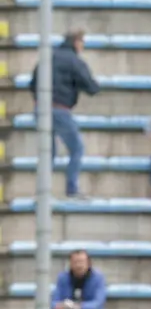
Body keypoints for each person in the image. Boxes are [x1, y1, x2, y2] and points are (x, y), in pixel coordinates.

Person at [29, 29, 100, 199]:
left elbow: (32, 84)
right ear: (76, 42)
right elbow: (90, 87)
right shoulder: (74, 61)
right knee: (76, 148)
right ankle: (72, 189)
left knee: (48, 152)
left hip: (40, 108)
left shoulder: (47, 57)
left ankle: (42, 192)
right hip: (59, 109)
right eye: (82, 42)